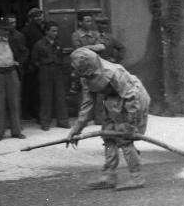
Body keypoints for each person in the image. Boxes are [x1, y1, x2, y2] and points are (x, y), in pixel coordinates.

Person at [67, 48, 151, 191]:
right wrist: (76, 130)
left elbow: (132, 97)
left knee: (124, 137)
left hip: (133, 98)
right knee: (107, 134)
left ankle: (137, 177)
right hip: (113, 101)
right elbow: (87, 106)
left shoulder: (113, 72)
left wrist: (130, 125)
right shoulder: (85, 78)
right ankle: (109, 175)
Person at [0, 18, 28, 141]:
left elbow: (25, 51)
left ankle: (16, 131)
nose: (7, 32)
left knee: (14, 102)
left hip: (11, 72)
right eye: (4, 30)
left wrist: (18, 62)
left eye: (8, 30)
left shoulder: (13, 39)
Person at [31, 21, 70, 130]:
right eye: (53, 31)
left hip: (58, 71)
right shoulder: (39, 44)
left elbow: (62, 57)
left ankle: (62, 121)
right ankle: (45, 122)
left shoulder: (59, 43)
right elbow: (34, 60)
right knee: (46, 97)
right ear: (46, 31)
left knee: (60, 97)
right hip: (45, 71)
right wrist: (42, 67)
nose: (55, 33)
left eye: (56, 31)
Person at [20, 7, 45, 122]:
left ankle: (35, 112)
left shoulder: (43, 28)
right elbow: (25, 49)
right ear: (30, 18)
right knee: (33, 90)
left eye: (40, 15)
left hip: (42, 64)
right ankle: (33, 113)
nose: (39, 18)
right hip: (32, 64)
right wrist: (29, 63)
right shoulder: (25, 30)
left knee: (38, 90)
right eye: (36, 16)